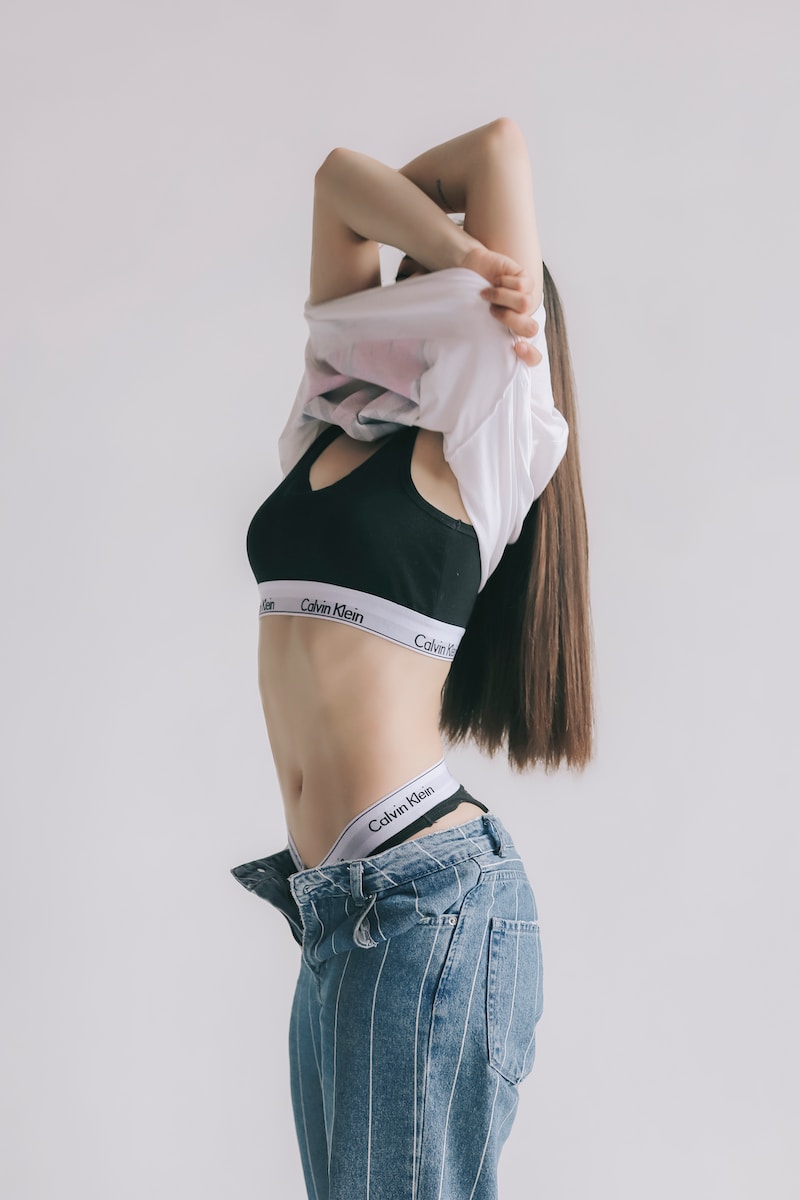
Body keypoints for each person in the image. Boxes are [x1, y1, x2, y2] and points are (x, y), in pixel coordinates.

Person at [231, 117, 593, 1200]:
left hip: (420, 902)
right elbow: (337, 183)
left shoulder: (484, 448)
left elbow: (497, 149)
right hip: (342, 907)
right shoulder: (327, 422)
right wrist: (440, 246)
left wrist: (480, 264)